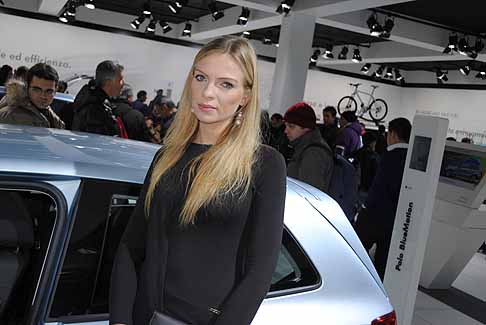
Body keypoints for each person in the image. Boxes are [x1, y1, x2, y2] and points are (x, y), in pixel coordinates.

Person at [109, 35, 287, 325]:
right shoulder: (167, 156)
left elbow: (259, 272)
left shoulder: (264, 165)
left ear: (244, 97)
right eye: (201, 77)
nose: (207, 93)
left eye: (225, 84)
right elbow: (131, 246)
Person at [354, 117, 412, 280]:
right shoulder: (411, 158)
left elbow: (380, 188)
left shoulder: (390, 155)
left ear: (392, 134)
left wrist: (364, 209)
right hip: (395, 218)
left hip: (373, 215)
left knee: (356, 252)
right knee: (383, 262)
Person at [284, 102, 334, 192]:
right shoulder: (303, 146)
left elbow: (309, 193)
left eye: (291, 126)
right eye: (286, 125)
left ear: (306, 128)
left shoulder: (314, 153)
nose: (285, 131)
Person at [0, 63, 65, 129]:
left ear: (56, 90)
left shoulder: (45, 109)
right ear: (27, 87)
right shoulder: (10, 115)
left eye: (49, 91)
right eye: (37, 90)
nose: (43, 96)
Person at [72, 60, 125, 136]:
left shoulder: (95, 101)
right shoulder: (94, 109)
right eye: (120, 80)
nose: (123, 84)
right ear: (108, 82)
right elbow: (98, 142)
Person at [355, 131, 380, 202]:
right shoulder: (375, 157)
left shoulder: (357, 153)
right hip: (368, 189)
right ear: (372, 143)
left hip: (356, 187)